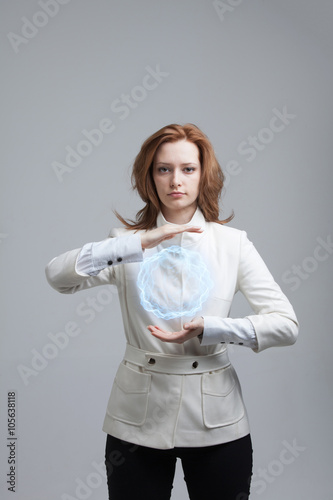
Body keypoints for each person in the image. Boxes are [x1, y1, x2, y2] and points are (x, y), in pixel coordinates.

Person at [45, 123, 299, 500]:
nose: (175, 180)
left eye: (188, 169)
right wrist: (138, 241)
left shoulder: (233, 244)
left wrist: (211, 328)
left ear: (203, 175)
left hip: (217, 419)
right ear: (149, 176)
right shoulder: (124, 245)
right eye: (163, 169)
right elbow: (57, 277)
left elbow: (286, 325)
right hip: (136, 417)